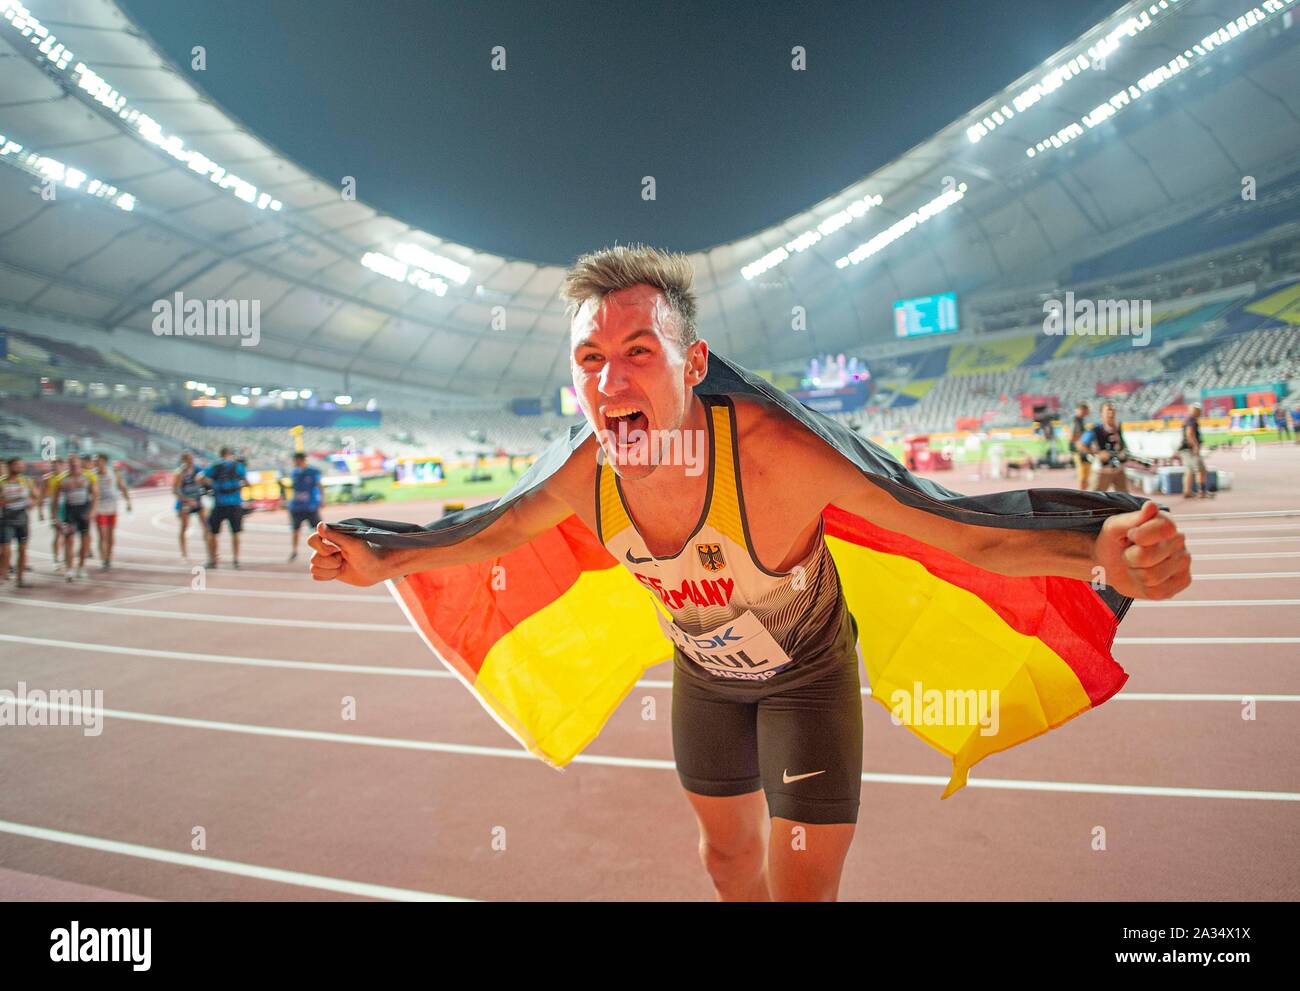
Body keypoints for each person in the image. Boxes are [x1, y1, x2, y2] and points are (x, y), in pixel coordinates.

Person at [307, 246, 1192, 902]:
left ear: (693, 364)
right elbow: (483, 536)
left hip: (809, 679)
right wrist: (379, 556)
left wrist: (1099, 550)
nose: (611, 378)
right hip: (706, 680)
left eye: (639, 351)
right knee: (728, 859)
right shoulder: (582, 473)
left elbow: (961, 532)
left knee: (803, 883)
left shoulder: (776, 458)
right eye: (589, 361)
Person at [50, 453, 97, 580]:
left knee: (85, 540)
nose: (74, 464)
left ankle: (81, 567)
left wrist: (92, 511)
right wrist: (55, 517)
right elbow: (54, 501)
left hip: (84, 511)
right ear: (67, 464)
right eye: (71, 462)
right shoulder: (61, 479)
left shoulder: (89, 476)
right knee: (69, 540)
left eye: (75, 462)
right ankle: (69, 569)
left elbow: (95, 495)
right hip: (70, 512)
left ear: (80, 463)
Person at [1, 457, 42, 588]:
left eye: (21, 465)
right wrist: (7, 501)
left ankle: (20, 578)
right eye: (16, 465)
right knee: (6, 550)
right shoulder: (2, 482)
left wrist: (33, 503)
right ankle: (3, 575)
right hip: (6, 519)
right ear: (9, 466)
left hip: (22, 519)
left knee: (22, 549)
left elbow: (37, 496)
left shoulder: (26, 481)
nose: (19, 467)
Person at [202, 446, 246, 569]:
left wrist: (212, 485)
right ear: (230, 454)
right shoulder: (238, 466)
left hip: (219, 503)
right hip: (235, 503)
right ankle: (236, 560)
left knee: (213, 532)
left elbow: (200, 478)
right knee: (236, 533)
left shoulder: (215, 465)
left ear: (221, 454)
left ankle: (213, 560)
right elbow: (245, 481)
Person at [92, 453, 132, 569]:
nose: (95, 463)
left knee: (110, 536)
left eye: (97, 461)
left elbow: (123, 487)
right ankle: (103, 560)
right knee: (102, 535)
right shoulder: (92, 475)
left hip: (112, 508)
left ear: (104, 462)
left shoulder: (113, 473)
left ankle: (108, 559)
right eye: (94, 461)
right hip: (99, 508)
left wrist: (128, 502)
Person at [286, 452, 323, 562]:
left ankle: (322, 550)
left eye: (296, 460)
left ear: (301, 460)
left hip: (310, 506)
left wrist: (321, 499)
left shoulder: (313, 472)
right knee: (295, 530)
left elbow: (319, 485)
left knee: (318, 530)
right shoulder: (294, 473)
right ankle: (294, 551)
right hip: (297, 507)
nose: (295, 462)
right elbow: (293, 487)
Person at [1087, 401, 1130, 493]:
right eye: (1108, 410)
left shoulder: (1118, 427)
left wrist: (1123, 452)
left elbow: (1122, 444)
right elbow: (1081, 444)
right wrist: (1097, 453)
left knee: (1124, 497)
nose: (1111, 413)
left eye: (1113, 410)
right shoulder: (1096, 429)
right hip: (1102, 471)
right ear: (1101, 413)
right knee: (1094, 498)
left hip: (1118, 469)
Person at [173, 452, 207, 560]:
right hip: (185, 503)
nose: (191, 460)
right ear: (184, 460)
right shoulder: (180, 472)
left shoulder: (198, 469)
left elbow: (203, 481)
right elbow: (175, 490)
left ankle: (209, 551)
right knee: (184, 527)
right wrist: (187, 500)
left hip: (197, 501)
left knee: (206, 526)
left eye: (192, 458)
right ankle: (184, 553)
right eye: (189, 459)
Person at [1180, 403, 1211, 499]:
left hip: (1185, 449)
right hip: (1189, 449)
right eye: (1199, 411)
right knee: (1200, 469)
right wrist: (1195, 446)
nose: (1200, 413)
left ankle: (1187, 491)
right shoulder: (1191, 419)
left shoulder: (1188, 419)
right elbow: (1189, 433)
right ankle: (1201, 492)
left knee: (1189, 470)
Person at [42, 456, 66, 572]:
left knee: (67, 533)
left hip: (67, 507)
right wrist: (41, 511)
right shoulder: (47, 478)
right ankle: (56, 559)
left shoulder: (66, 476)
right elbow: (43, 494)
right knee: (57, 533)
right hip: (55, 507)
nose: (54, 467)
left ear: (62, 465)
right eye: (52, 465)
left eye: (56, 465)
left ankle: (64, 555)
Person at [1069, 401, 1092, 490]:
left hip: (1082, 450)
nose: (1087, 412)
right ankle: (1082, 495)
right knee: (1083, 475)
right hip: (1079, 451)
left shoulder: (1080, 420)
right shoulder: (1076, 421)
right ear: (1080, 410)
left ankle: (1085, 493)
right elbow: (1071, 437)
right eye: (1085, 410)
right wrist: (1083, 439)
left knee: (1086, 475)